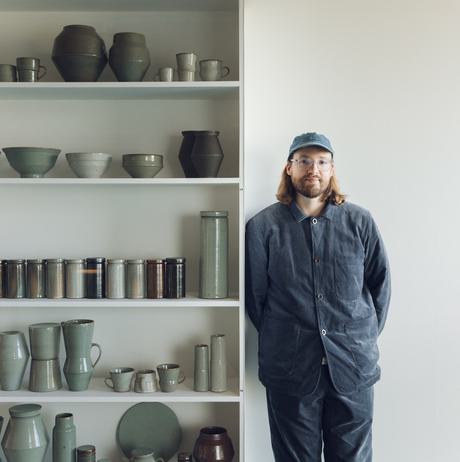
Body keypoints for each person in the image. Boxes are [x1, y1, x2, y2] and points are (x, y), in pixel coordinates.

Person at [245, 132, 391, 462]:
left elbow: (380, 286)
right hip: (289, 369)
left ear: (332, 169)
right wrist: (286, 338)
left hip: (353, 369)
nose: (314, 169)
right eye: (305, 161)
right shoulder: (263, 227)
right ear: (289, 168)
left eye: (322, 162)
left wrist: (359, 336)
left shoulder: (360, 221)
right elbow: (256, 301)